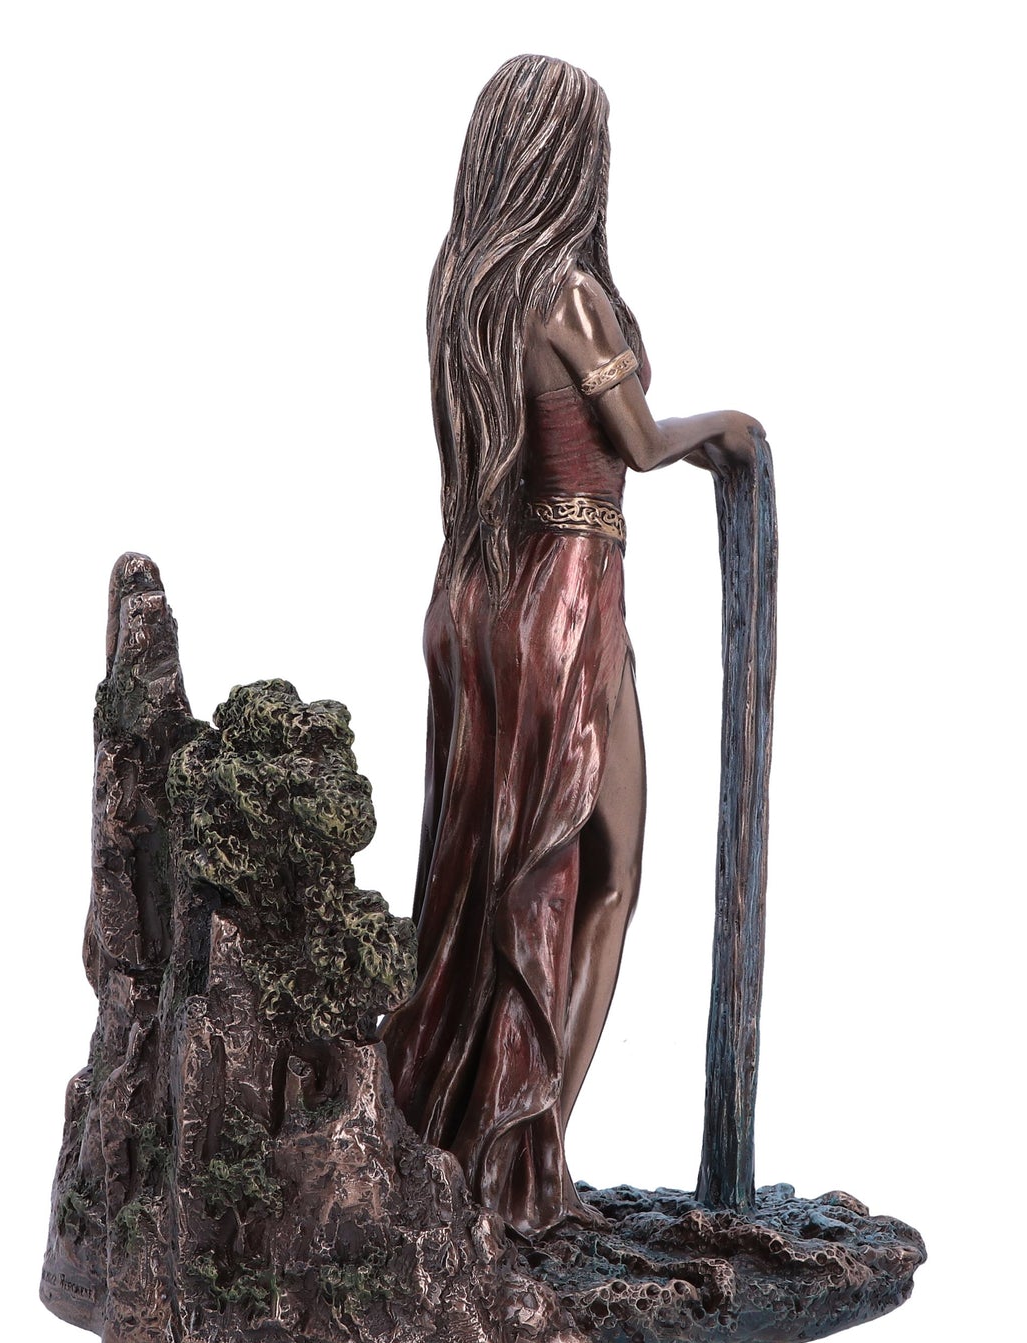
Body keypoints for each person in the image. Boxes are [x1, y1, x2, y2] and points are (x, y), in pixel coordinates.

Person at [382, 54, 762, 1236]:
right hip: (568, 596)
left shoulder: (465, 291)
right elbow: (638, 442)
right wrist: (731, 426)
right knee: (600, 874)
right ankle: (528, 1166)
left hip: (486, 592)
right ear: (564, 159)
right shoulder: (569, 296)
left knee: (494, 872)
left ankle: (488, 1148)